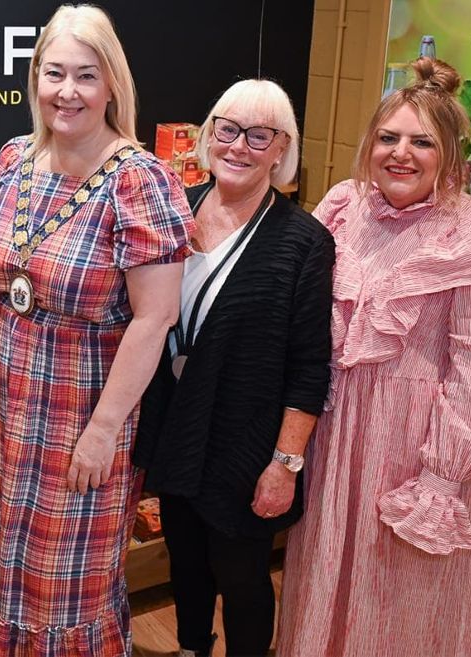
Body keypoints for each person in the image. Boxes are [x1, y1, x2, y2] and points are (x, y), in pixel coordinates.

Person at [276, 58, 471, 656]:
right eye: (388, 138)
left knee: (401, 604)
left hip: (419, 454)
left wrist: (440, 480)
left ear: (452, 155)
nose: (401, 154)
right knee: (325, 584)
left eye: (422, 142)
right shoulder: (344, 208)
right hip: (339, 442)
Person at [0, 4, 195, 655]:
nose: (68, 91)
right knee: (0, 567)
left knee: (61, 587)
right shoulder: (17, 158)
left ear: (112, 84)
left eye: (86, 75)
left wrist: (102, 432)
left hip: (80, 418)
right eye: (55, 73)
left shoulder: (140, 180)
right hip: (4, 413)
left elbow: (155, 316)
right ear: (36, 78)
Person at [134, 79, 333, 657]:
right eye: (227, 129)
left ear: (282, 149)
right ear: (208, 134)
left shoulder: (305, 242)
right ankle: (194, 647)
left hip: (247, 444)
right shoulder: (176, 209)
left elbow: (310, 364)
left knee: (242, 577)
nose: (238, 146)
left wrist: (285, 464)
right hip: (179, 427)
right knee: (187, 564)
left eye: (259, 135)